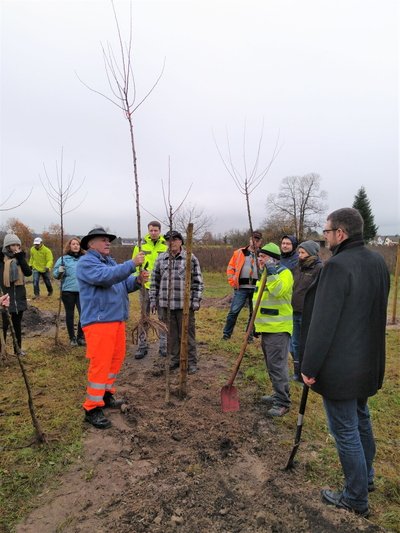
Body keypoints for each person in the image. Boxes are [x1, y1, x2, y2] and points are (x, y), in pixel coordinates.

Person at [301, 208, 390, 517]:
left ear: (340, 233)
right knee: (361, 418)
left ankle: (355, 497)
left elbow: (323, 323)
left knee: (346, 430)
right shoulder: (377, 261)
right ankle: (365, 479)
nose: (324, 237)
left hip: (341, 367)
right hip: (368, 361)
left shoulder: (336, 267)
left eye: (326, 232)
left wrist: (309, 367)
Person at [76, 227, 146, 429]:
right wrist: (132, 264)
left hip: (116, 320)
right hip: (99, 321)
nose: (108, 243)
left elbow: (122, 284)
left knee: (115, 359)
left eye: (109, 240)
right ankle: (92, 408)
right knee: (100, 363)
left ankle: (105, 396)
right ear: (90, 244)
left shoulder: (110, 262)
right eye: (103, 240)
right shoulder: (87, 262)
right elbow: (105, 278)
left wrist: (138, 280)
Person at [149, 230, 204, 374]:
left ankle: (190, 362)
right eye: (168, 240)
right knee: (170, 335)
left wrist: (195, 301)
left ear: (181, 241)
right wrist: (153, 300)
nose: (171, 242)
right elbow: (154, 281)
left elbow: (197, 282)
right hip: (165, 306)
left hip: (184, 306)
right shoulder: (161, 259)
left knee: (187, 334)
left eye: (174, 239)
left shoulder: (190, 258)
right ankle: (174, 360)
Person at [253, 243, 293, 416]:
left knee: (277, 366)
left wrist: (271, 271)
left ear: (272, 259)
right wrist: (255, 324)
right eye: (259, 256)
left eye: (262, 257)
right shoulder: (264, 274)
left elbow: (277, 291)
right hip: (267, 327)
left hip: (278, 328)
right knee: (271, 365)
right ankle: (278, 393)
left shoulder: (284, 273)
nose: (259, 259)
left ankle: (283, 402)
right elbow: (258, 301)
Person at [131, 221, 168, 359]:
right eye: (151, 230)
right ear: (148, 230)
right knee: (144, 317)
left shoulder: (165, 246)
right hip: (145, 287)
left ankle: (164, 345)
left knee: (162, 317)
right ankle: (142, 346)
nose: (153, 232)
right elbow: (134, 265)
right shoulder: (140, 246)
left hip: (161, 287)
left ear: (159, 231)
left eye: (156, 230)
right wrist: (138, 278)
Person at [222, 231, 263, 341]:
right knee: (234, 311)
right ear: (250, 239)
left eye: (257, 240)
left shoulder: (262, 254)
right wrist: (233, 281)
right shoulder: (239, 252)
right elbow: (230, 268)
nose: (255, 242)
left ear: (260, 242)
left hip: (256, 288)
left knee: (253, 313)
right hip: (241, 288)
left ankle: (248, 337)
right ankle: (226, 335)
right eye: (253, 239)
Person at [290, 240, 322, 380]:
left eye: (302, 252)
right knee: (295, 344)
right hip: (294, 311)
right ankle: (297, 373)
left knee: (305, 344)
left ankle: (306, 373)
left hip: (308, 313)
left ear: (311, 253)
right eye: (299, 252)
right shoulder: (297, 267)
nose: (299, 255)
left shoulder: (319, 269)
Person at [0, 233, 32, 354]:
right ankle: (2, 351)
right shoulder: (1, 260)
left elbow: (28, 273)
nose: (15, 247)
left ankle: (17, 349)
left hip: (19, 296)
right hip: (5, 296)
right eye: (12, 245)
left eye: (17, 244)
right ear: (7, 246)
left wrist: (20, 258)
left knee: (17, 325)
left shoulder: (20, 259)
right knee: (4, 325)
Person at [53, 237, 86, 347]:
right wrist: (59, 270)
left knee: (83, 314)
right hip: (68, 291)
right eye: (73, 244)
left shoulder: (85, 259)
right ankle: (72, 338)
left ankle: (81, 337)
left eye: (78, 244)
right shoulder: (63, 259)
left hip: (83, 291)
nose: (76, 246)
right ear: (69, 246)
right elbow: (55, 275)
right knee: (70, 314)